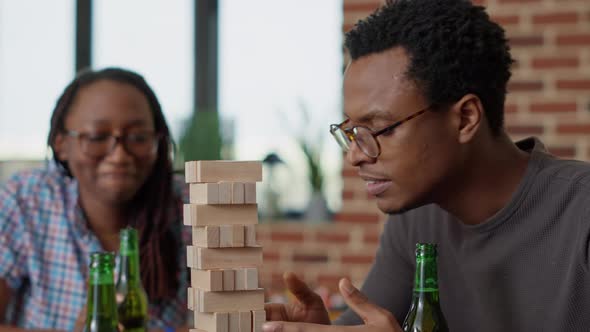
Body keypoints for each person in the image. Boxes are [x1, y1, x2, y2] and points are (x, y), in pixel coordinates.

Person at [262, 0, 590, 331]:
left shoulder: (581, 211)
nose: (356, 155)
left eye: (382, 129)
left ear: (465, 119)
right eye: (352, 132)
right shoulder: (415, 221)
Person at [0, 68, 190, 330]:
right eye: (97, 137)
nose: (120, 155)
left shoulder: (189, 205)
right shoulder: (25, 201)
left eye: (138, 137)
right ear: (61, 144)